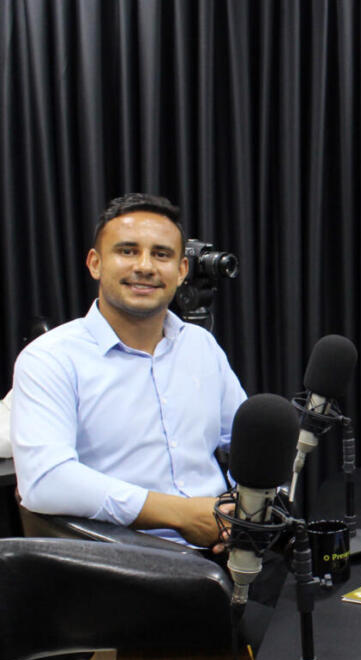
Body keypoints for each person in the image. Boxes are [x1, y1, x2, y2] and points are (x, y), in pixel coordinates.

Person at [10, 193, 246, 550]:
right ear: (95, 263)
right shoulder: (50, 358)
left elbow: (246, 442)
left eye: (161, 254)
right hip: (120, 560)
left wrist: (244, 515)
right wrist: (181, 515)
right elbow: (45, 481)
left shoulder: (201, 345)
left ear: (182, 271)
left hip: (224, 543)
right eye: (128, 251)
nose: (146, 266)